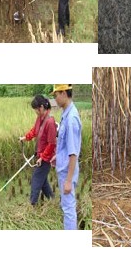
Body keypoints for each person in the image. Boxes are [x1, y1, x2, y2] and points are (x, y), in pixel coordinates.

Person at [51, 84, 82, 230]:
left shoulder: (71, 119)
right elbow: (65, 146)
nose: (55, 99)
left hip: (66, 172)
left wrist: (69, 181)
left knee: (69, 209)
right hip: (63, 168)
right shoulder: (66, 114)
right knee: (66, 206)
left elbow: (73, 152)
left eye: (55, 95)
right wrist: (57, 156)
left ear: (63, 93)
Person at [19, 95, 57, 206]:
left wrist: (43, 157)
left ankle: (32, 205)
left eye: (36, 110)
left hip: (45, 158)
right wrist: (25, 137)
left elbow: (51, 144)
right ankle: (53, 200)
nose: (35, 112)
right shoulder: (39, 119)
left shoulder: (50, 122)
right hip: (39, 155)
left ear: (41, 107)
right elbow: (35, 131)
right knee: (43, 182)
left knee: (36, 180)